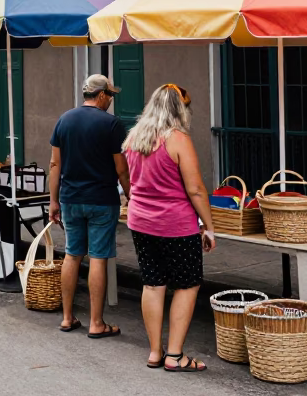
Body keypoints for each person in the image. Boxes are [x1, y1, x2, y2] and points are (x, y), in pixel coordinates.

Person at [124, 83, 217, 370]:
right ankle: (175, 356)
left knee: (153, 284)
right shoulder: (177, 139)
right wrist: (209, 226)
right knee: (187, 285)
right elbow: (196, 189)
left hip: (140, 221)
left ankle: (155, 351)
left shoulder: (134, 138)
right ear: (180, 110)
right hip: (175, 224)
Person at [48, 74, 130, 338]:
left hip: (70, 198)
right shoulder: (112, 124)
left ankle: (67, 317)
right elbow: (121, 169)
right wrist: (132, 196)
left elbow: (54, 165)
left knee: (72, 255)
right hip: (101, 200)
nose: (111, 101)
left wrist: (53, 200)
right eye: (111, 96)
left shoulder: (64, 119)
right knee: (97, 257)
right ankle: (96, 323)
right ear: (102, 94)